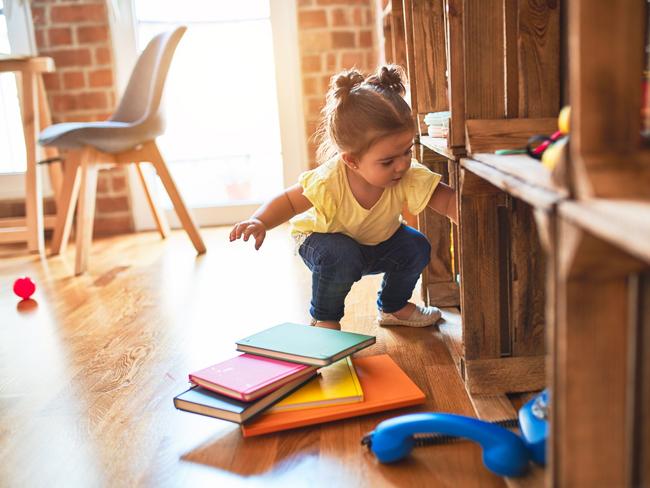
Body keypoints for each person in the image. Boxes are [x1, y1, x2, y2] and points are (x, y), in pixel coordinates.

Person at [230, 65, 457, 330]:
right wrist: (260, 221)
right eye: (387, 161)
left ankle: (393, 307)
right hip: (322, 242)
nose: (402, 165)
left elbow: (445, 198)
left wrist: (464, 215)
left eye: (407, 152)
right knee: (342, 254)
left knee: (416, 246)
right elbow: (290, 201)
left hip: (374, 244)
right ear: (351, 161)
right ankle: (325, 318)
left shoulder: (407, 174)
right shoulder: (330, 180)